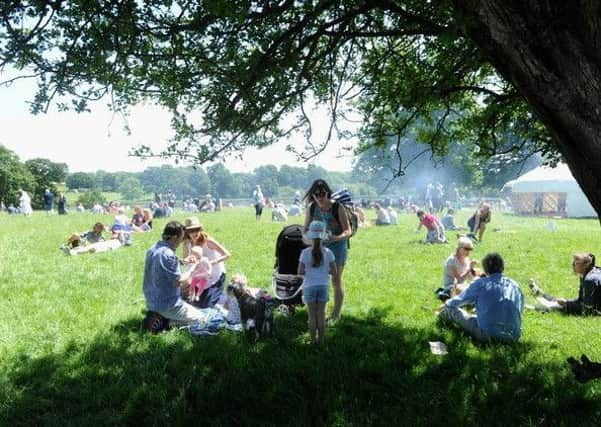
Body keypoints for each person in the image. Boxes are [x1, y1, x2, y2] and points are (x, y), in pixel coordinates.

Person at [439, 252, 524, 343]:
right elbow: (520, 310)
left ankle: (440, 319)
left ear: (485, 270)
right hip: (514, 336)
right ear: (503, 268)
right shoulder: (515, 285)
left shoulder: (481, 284)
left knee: (450, 309)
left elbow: (456, 302)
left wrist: (448, 301)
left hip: (488, 334)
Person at [143, 221, 213, 326]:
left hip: (151, 301)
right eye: (182, 237)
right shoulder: (168, 254)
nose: (182, 240)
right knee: (202, 319)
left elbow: (162, 263)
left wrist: (181, 261)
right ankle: (163, 323)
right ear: (175, 237)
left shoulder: (153, 249)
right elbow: (178, 282)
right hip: (168, 304)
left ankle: (158, 316)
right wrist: (193, 268)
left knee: (195, 312)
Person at [303, 179, 352, 322]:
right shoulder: (312, 208)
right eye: (316, 194)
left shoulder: (338, 207)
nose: (319, 197)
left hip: (337, 246)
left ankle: (336, 315)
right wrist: (308, 240)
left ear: (327, 193)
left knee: (336, 280)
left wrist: (336, 238)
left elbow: (348, 230)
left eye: (322, 194)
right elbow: (304, 229)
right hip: (318, 246)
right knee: (316, 279)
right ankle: (318, 313)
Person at [298, 220, 336, 344]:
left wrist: (309, 271)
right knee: (321, 314)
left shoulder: (305, 253)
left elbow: (300, 272)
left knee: (311, 316)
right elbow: (334, 272)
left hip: (309, 286)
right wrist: (325, 271)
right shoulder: (328, 252)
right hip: (323, 286)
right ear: (323, 237)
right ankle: (322, 340)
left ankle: (313, 341)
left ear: (311, 237)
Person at [182, 216, 231, 308]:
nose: (194, 233)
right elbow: (186, 261)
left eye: (196, 229)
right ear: (187, 232)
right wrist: (189, 262)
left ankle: (225, 298)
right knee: (193, 302)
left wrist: (211, 262)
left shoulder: (207, 241)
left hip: (215, 276)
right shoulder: (186, 244)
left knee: (207, 305)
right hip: (199, 278)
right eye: (191, 230)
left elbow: (227, 254)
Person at [528, 253, 601, 315]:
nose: (573, 266)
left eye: (577, 263)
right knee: (559, 301)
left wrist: (567, 304)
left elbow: (587, 308)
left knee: (556, 306)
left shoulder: (589, 280)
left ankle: (533, 308)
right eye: (574, 263)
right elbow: (581, 300)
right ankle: (540, 294)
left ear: (586, 265)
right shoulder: (590, 272)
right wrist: (567, 302)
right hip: (594, 305)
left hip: (596, 310)